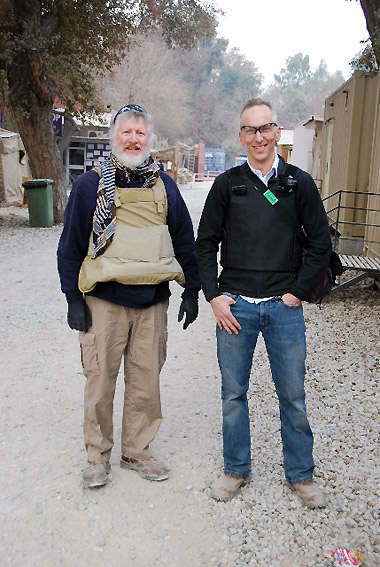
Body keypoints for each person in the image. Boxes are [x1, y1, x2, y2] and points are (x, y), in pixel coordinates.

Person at [195, 98, 331, 508]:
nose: (259, 137)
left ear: (276, 133)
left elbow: (321, 243)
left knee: (292, 394)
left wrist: (298, 292)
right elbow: (204, 245)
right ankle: (235, 469)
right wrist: (215, 297)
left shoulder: (298, 183)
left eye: (265, 128)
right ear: (241, 136)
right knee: (233, 394)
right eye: (250, 130)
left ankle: (301, 475)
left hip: (283, 309)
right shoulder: (227, 185)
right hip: (236, 309)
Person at [57, 104, 200, 488]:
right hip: (103, 302)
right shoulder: (90, 186)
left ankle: (136, 451)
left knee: (145, 381)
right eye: (126, 132)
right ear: (113, 138)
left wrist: (193, 290)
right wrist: (72, 297)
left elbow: (185, 240)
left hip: (152, 302)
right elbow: (70, 246)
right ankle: (96, 455)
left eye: (140, 133)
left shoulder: (165, 185)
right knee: (100, 380)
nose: (133, 139)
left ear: (148, 139)